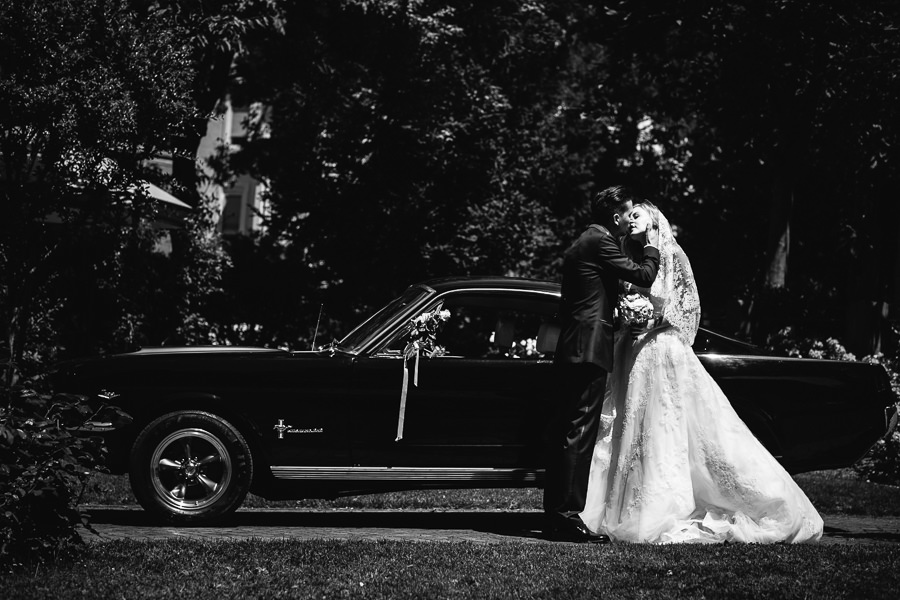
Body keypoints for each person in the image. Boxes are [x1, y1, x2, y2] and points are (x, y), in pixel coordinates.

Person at [580, 202, 824, 543]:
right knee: (630, 428)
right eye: (628, 214)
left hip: (661, 351)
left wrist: (650, 321)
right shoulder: (626, 256)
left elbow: (687, 307)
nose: (631, 218)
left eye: (639, 213)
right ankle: (622, 506)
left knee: (664, 428)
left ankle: (675, 504)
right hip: (630, 353)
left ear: (654, 219)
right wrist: (627, 317)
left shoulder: (672, 256)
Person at [546, 186, 661, 542]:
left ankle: (556, 513)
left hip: (573, 346)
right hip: (590, 347)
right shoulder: (601, 241)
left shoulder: (583, 240)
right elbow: (644, 275)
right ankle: (566, 516)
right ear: (616, 217)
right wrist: (651, 243)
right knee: (581, 431)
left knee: (569, 430)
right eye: (629, 214)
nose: (631, 220)